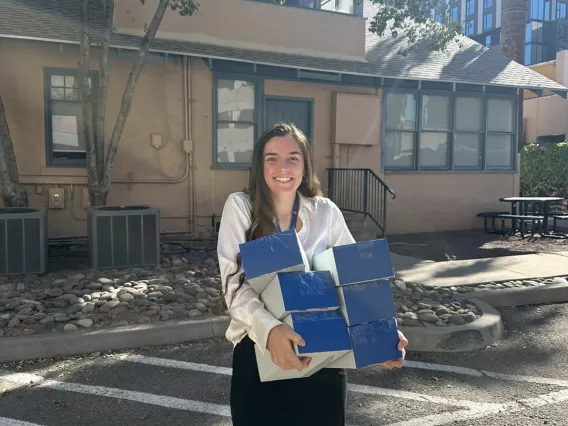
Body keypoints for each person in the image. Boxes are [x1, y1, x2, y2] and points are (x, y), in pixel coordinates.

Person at [217, 122, 408, 426]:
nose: (283, 166)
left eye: (293, 157)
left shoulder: (326, 212)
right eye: (272, 158)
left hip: (324, 355)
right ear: (259, 165)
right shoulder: (241, 207)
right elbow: (235, 284)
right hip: (259, 351)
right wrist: (271, 330)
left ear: (305, 167)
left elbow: (355, 281)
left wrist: (379, 336)